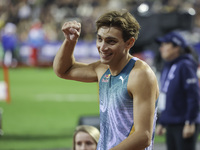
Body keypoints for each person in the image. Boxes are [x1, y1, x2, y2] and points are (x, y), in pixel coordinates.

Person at [53, 9, 159, 150]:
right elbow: (63, 70)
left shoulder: (140, 75)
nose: (102, 47)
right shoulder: (102, 69)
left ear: (129, 43)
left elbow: (143, 136)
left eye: (111, 41)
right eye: (100, 39)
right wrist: (70, 41)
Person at [155, 31, 200, 150]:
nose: (161, 48)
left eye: (165, 44)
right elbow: (167, 96)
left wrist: (190, 122)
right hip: (171, 122)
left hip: (183, 122)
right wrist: (163, 121)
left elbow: (193, 95)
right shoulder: (168, 66)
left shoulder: (185, 65)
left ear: (177, 47)